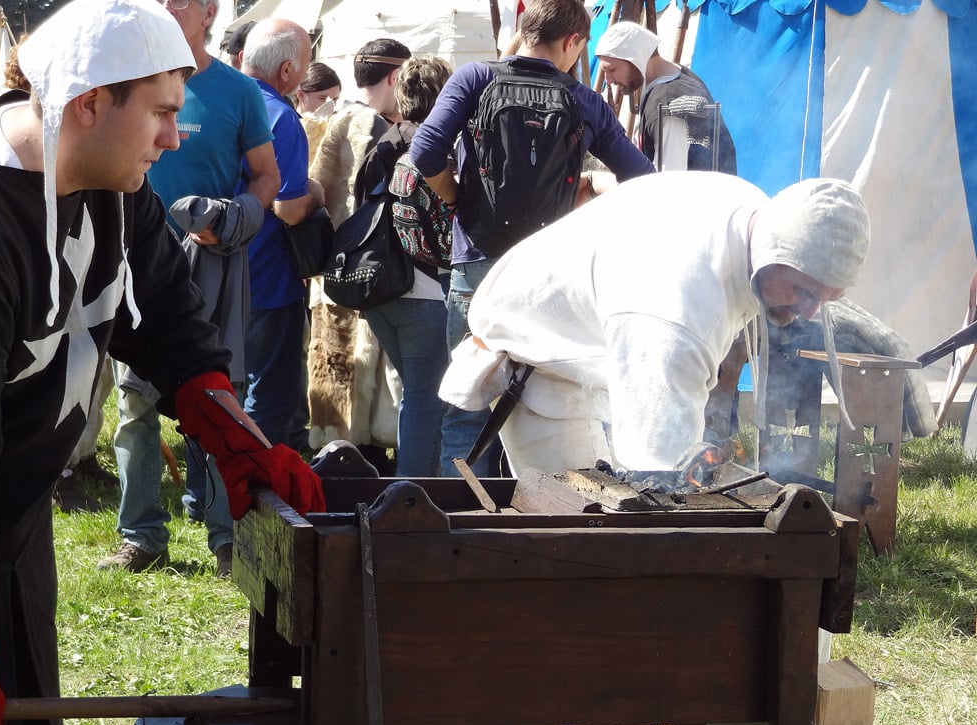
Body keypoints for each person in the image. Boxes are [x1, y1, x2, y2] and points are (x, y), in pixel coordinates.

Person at [0, 0, 324, 725]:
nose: (174, 137)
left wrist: (232, 435)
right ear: (91, 103)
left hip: (17, 522)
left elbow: (167, 315)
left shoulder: (118, 191)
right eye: (162, 112)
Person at [439, 171, 871, 477]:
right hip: (538, 351)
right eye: (804, 292)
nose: (811, 312)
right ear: (774, 253)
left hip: (608, 329)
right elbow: (657, 469)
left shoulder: (757, 214)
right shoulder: (675, 311)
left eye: (827, 299)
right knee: (578, 532)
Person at [408, 0, 655, 477]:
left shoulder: (474, 79)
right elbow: (643, 180)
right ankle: (537, 524)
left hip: (478, 267)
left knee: (466, 408)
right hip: (549, 278)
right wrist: (587, 195)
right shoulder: (584, 101)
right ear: (573, 43)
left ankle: (464, 531)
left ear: (523, 31)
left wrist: (456, 197)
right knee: (544, 410)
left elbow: (424, 152)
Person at [101, 0, 281, 576]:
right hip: (134, 261)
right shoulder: (129, 80)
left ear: (207, 11)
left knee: (215, 388)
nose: (163, 7)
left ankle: (227, 537)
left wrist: (235, 217)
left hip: (208, 268)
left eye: (177, 0)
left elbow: (268, 174)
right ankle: (143, 535)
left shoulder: (238, 91)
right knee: (136, 403)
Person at [305, 39, 412, 473]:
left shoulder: (330, 120)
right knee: (357, 386)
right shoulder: (365, 126)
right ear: (394, 77)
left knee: (351, 388)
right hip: (366, 275)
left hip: (337, 274)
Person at [355, 55, 455, 476]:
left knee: (415, 396)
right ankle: (414, 501)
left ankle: (411, 494)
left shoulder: (382, 144)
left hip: (380, 292)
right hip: (423, 292)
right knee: (426, 398)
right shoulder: (439, 149)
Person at [241, 18, 318, 447]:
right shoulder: (280, 118)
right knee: (268, 393)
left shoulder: (213, 103)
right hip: (267, 277)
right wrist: (319, 195)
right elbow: (288, 209)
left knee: (218, 389)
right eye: (305, 65)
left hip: (206, 269)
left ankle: (210, 493)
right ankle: (255, 490)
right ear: (286, 71)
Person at [595, 21, 736, 174]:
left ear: (637, 59)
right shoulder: (668, 77)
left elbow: (668, 181)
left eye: (612, 69)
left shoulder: (670, 109)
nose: (608, 79)